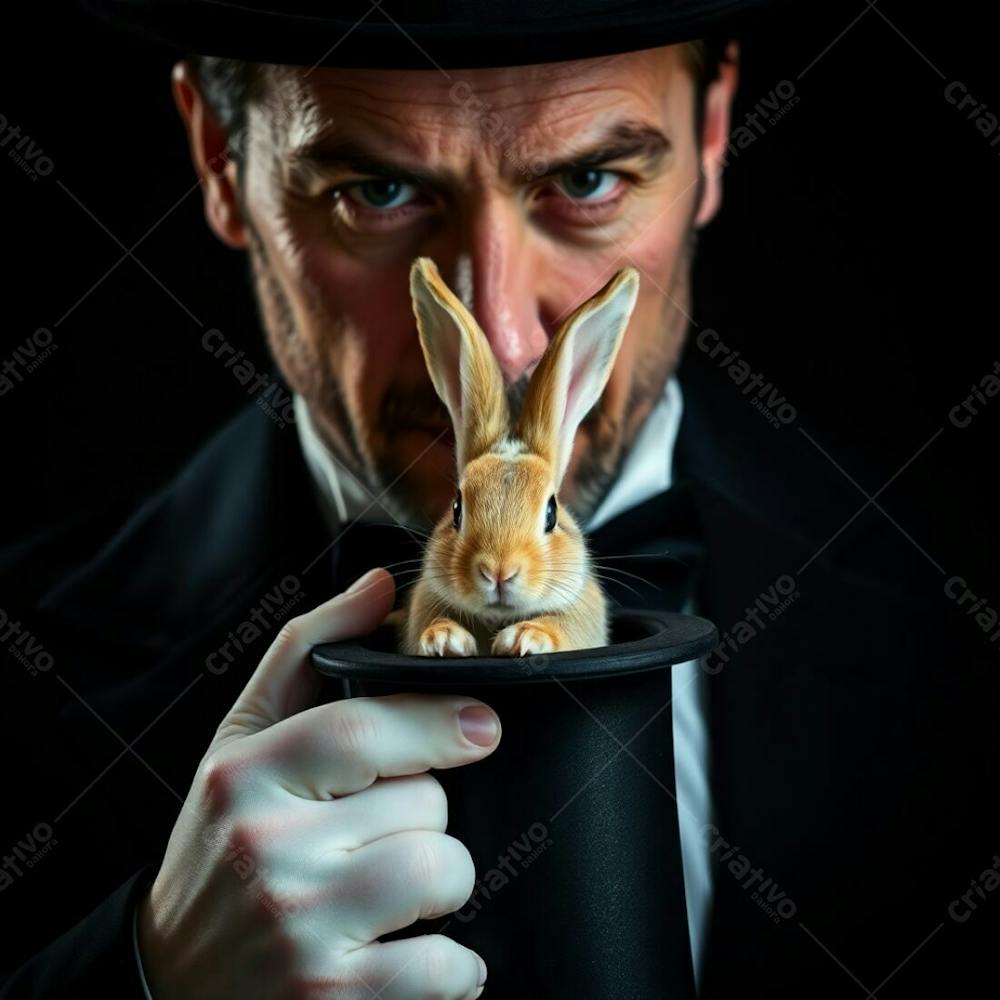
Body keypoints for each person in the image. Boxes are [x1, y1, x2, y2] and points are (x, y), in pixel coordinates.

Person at [2, 1, 994, 997]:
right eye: (379, 190)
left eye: (587, 180)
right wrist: (145, 971)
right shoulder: (28, 657)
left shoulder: (945, 632)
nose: (508, 339)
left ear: (710, 132)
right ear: (221, 158)